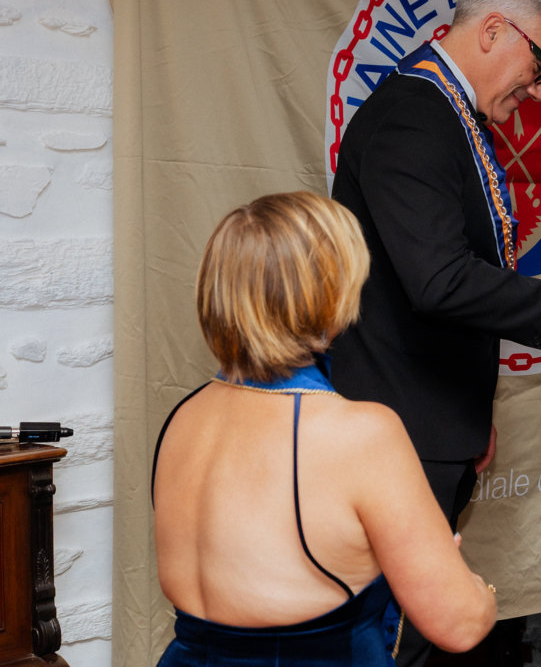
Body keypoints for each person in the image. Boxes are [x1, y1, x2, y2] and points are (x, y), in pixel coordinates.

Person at [329, 0, 541, 666]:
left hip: (432, 416)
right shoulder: (415, 114)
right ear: (494, 30)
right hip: (400, 426)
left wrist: (469, 408)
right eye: (539, 66)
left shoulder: (448, 112)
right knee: (391, 639)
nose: (540, 90)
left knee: (412, 631)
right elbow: (438, 281)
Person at [152, 192, 496, 667]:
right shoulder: (360, 434)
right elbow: (460, 624)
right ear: (329, 293)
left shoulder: (183, 416)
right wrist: (471, 585)